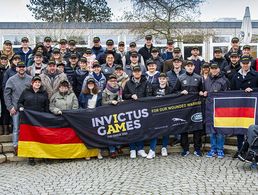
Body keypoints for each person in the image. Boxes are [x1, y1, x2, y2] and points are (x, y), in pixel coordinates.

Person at [173, 61, 204, 157]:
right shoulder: (181, 78)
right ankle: (185, 149)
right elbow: (174, 91)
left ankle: (197, 149)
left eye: (191, 66)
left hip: (196, 107)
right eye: (188, 66)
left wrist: (201, 92)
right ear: (185, 67)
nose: (190, 67)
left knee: (197, 128)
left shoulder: (199, 78)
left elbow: (202, 90)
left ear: (194, 67)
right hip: (184, 108)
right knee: (184, 127)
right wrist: (181, 92)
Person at [18, 75, 49, 166]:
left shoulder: (44, 93)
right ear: (32, 83)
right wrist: (21, 107)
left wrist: (47, 116)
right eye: (35, 82)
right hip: (29, 119)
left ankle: (44, 155)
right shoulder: (26, 92)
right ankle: (31, 157)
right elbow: (19, 102)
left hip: (41, 119)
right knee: (31, 138)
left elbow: (47, 105)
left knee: (42, 137)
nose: (37, 84)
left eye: (39, 82)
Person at [231, 56, 258, 158]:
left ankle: (251, 152)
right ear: (241, 64)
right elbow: (232, 91)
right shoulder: (235, 76)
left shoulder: (256, 75)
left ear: (250, 64)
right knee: (240, 128)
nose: (245, 65)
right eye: (243, 63)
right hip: (240, 106)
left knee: (251, 128)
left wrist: (253, 89)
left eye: (247, 63)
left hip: (252, 107)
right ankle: (240, 150)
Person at [123, 66, 152, 159]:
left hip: (142, 109)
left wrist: (141, 100)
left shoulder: (146, 82)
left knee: (141, 130)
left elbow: (148, 95)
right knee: (131, 130)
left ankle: (140, 149)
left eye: (138, 71)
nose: (137, 73)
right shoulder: (128, 83)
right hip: (131, 109)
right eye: (135, 72)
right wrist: (131, 96)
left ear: (141, 72)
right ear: (132, 73)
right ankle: (132, 149)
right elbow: (124, 95)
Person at [4, 61, 32, 155]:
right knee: (16, 128)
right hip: (15, 108)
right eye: (19, 67)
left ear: (25, 68)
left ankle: (26, 146)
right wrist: (10, 107)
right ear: (16, 68)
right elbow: (6, 94)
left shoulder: (30, 79)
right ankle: (15, 146)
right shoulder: (11, 80)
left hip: (27, 109)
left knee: (27, 128)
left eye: (23, 67)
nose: (21, 68)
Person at [203, 63, 230, 159]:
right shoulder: (207, 80)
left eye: (216, 68)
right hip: (210, 108)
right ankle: (213, 149)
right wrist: (204, 93)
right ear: (210, 69)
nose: (214, 70)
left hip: (220, 108)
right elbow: (204, 91)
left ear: (219, 69)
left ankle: (220, 149)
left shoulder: (224, 80)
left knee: (220, 131)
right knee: (211, 131)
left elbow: (227, 94)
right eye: (212, 68)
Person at [147, 73, 173, 159]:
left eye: (164, 79)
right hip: (155, 113)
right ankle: (152, 150)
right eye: (160, 79)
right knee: (154, 131)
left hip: (166, 113)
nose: (162, 80)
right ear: (158, 80)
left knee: (166, 131)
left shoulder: (169, 89)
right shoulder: (154, 88)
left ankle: (164, 147)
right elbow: (149, 98)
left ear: (166, 79)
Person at [78, 77, 103, 160]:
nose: (91, 85)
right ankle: (88, 153)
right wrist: (84, 113)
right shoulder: (83, 94)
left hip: (96, 116)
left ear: (94, 84)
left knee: (97, 135)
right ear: (87, 85)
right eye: (89, 84)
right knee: (87, 136)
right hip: (86, 116)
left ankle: (98, 152)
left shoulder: (99, 94)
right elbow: (80, 105)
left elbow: (100, 105)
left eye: (92, 83)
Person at [102, 74, 123, 158]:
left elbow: (121, 97)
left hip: (118, 112)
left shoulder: (120, 88)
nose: (113, 82)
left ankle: (118, 146)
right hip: (108, 113)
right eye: (111, 81)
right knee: (110, 131)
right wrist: (111, 101)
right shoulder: (105, 91)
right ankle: (112, 149)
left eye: (115, 80)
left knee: (119, 129)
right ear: (108, 82)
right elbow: (103, 103)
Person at [0, 55, 11, 135]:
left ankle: (6, 127)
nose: (4, 61)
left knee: (5, 110)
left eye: (5, 59)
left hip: (5, 92)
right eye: (2, 59)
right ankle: (0, 127)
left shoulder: (8, 69)